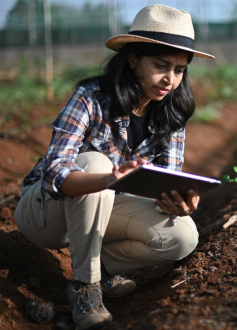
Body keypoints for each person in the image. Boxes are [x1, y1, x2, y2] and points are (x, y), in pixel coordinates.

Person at [14, 4, 214, 330]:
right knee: (94, 161)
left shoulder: (170, 116)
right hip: (44, 215)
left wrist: (179, 202)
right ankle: (85, 289)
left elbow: (167, 182)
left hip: (102, 213)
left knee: (183, 236)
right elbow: (55, 172)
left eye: (179, 69)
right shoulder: (91, 97)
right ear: (133, 58)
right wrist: (106, 178)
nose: (170, 79)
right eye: (161, 65)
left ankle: (103, 267)